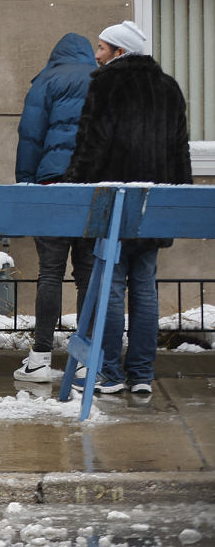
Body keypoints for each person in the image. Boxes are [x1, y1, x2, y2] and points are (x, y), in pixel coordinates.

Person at [66, 20, 191, 396]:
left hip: (113, 204)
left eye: (102, 48)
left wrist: (77, 187)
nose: (97, 55)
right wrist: (177, 200)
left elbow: (91, 146)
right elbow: (179, 149)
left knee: (111, 287)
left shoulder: (104, 85)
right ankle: (140, 374)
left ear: (120, 52)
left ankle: (108, 373)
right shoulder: (169, 88)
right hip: (154, 204)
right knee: (145, 288)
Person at [13, 32, 98, 384]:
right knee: (87, 272)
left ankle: (41, 358)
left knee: (50, 272)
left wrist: (25, 183)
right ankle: (83, 359)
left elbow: (30, 137)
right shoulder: (103, 80)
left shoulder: (46, 80)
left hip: (52, 184)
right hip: (95, 187)